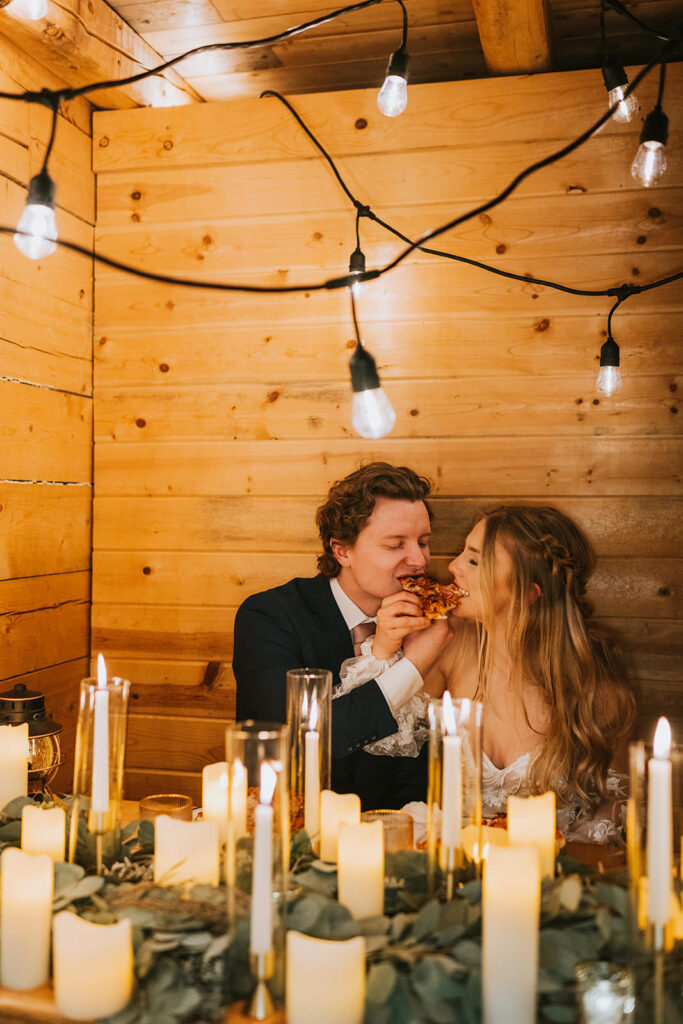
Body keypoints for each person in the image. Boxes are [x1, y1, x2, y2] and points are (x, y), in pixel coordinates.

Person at [362, 505, 638, 842]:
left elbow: (613, 809)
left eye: (475, 561)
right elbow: (377, 737)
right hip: (455, 864)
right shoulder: (448, 644)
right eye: (463, 552)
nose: (452, 566)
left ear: (527, 593)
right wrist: (385, 650)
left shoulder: (596, 682)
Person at [232, 462, 450, 810]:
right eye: (396, 545)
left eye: (423, 542)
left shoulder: (433, 623)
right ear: (342, 550)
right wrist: (412, 667)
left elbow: (421, 763)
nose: (419, 559)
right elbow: (297, 742)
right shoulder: (269, 617)